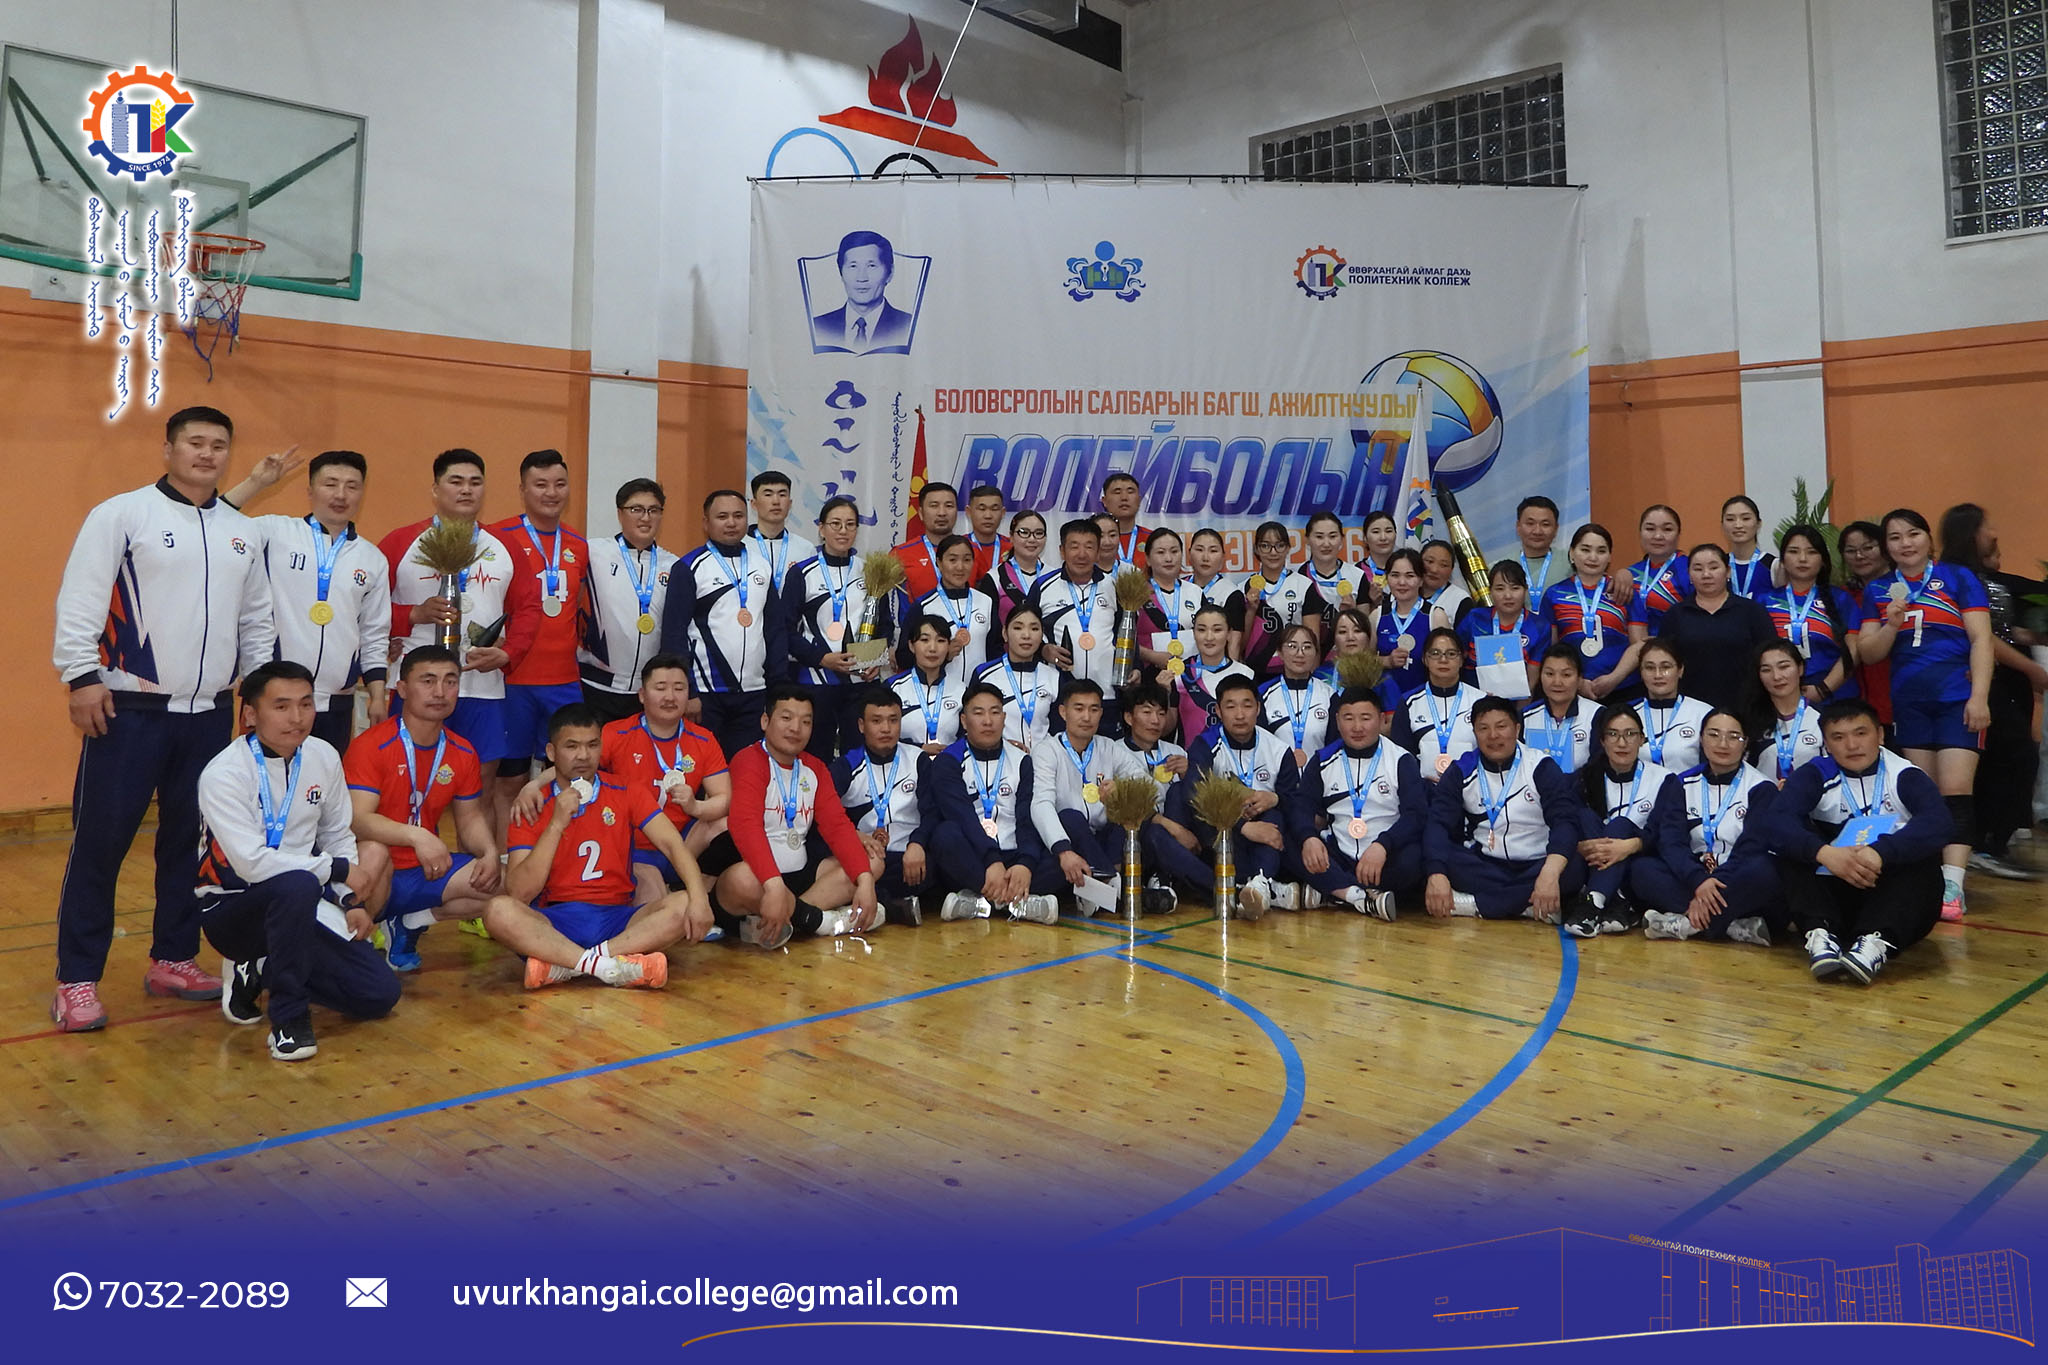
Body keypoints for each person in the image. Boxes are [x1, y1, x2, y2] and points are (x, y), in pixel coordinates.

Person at [51, 405, 277, 1031]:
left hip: (208, 717)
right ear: (169, 449)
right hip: (129, 711)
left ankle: (173, 958)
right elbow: (81, 597)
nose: (207, 454)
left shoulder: (242, 532)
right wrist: (81, 676)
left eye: (218, 445)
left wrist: (259, 696)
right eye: (194, 443)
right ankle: (76, 979)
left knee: (189, 844)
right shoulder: (123, 515)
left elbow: (256, 620)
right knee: (101, 846)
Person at [196, 661, 396, 1061]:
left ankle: (259, 968)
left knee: (378, 994)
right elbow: (252, 864)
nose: (297, 717)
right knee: (296, 884)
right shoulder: (224, 774)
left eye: (306, 704)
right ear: (250, 715)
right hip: (233, 909)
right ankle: (288, 1020)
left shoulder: (323, 756)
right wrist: (338, 870)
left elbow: (337, 834)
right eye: (281, 706)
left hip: (304, 901)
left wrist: (348, 900)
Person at [486, 703, 709, 986]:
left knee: (685, 901)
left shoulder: (627, 790)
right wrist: (556, 825)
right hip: (554, 921)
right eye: (572, 746)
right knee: (498, 910)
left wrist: (700, 899)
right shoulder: (532, 806)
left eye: (592, 745)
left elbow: (673, 845)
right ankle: (610, 966)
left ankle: (571, 965)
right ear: (551, 752)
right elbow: (520, 891)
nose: (583, 755)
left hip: (618, 919)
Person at [509, 654, 731, 918]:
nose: (670, 697)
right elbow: (576, 765)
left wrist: (696, 806)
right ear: (642, 695)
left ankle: (696, 893)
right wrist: (533, 785)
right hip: (634, 847)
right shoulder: (616, 733)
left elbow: (724, 798)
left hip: (680, 839)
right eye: (661, 688)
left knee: (726, 824)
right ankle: (666, 895)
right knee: (655, 905)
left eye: (679, 688)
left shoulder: (703, 739)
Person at [380, 449, 534, 820]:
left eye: (475, 482)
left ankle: (476, 860)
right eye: (456, 481)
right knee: (406, 783)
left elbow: (528, 609)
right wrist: (410, 615)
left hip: (482, 687)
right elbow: (368, 607)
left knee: (480, 788)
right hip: (418, 684)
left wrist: (509, 653)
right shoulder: (401, 542)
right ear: (435, 489)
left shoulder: (505, 546)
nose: (466, 490)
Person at [1858, 507, 1993, 920]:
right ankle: (1929, 878)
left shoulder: (1957, 578)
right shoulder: (1879, 590)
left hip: (1956, 699)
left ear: (1928, 538)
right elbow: (1868, 653)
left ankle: (1953, 884)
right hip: (1910, 703)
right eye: (1895, 537)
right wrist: (1890, 625)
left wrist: (1979, 696)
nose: (1905, 543)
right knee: (1924, 794)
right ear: (1886, 547)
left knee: (1955, 789)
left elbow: (1981, 639)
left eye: (1913, 533)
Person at [1760, 699, 1952, 983]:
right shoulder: (1815, 773)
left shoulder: (1904, 774)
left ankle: (1876, 941)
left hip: (1889, 897)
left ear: (1880, 735)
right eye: (1838, 737)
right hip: (1836, 895)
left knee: (1924, 857)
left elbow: (1940, 823)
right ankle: (1821, 933)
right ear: (1826, 744)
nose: (1851, 745)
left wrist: (1881, 852)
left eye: (1860, 733)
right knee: (1791, 846)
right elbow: (1775, 822)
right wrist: (1824, 853)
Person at [221, 447, 391, 751]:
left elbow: (374, 633)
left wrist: (378, 695)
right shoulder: (273, 532)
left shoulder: (372, 558)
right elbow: (216, 519)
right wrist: (256, 483)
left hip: (337, 702)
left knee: (324, 778)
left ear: (362, 493)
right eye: (330, 484)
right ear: (310, 490)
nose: (341, 494)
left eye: (352, 486)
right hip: (274, 696)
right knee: (264, 776)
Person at [344, 646, 500, 971]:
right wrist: (417, 836)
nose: (440, 692)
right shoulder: (371, 745)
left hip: (426, 870)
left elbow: (470, 817)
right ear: (402, 689)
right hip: (377, 871)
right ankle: (357, 943)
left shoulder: (462, 751)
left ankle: (411, 922)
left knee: (506, 882)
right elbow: (358, 820)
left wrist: (488, 852)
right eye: (427, 681)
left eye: (450, 681)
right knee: (374, 851)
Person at [700, 685, 884, 944]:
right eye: (786, 718)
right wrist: (773, 884)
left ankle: (788, 919)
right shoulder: (748, 760)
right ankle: (818, 922)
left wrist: (865, 882)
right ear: (765, 721)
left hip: (800, 878)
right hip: (757, 881)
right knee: (741, 879)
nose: (796, 728)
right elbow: (745, 826)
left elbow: (837, 826)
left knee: (871, 864)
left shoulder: (815, 768)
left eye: (805, 722)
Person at [1941, 502, 2046, 882]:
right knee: (2013, 756)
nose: (1994, 532)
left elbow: (2003, 629)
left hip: (2005, 683)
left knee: (2013, 757)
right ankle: (1985, 843)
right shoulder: (1957, 576)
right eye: (1988, 526)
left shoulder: (1984, 575)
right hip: (1981, 681)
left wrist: (2033, 638)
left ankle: (1995, 841)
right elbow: (1983, 636)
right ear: (1971, 532)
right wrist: (2030, 668)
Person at [488, 449, 591, 817]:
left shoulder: (578, 544)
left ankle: (557, 849)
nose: (551, 493)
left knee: (568, 777)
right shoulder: (497, 538)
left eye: (560, 484)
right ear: (523, 489)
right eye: (541, 484)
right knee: (509, 780)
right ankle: (507, 851)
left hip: (563, 681)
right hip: (512, 681)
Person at [1423, 696, 1586, 922]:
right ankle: (1525, 905)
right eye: (1483, 728)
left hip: (1536, 863)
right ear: (1474, 733)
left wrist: (1549, 872)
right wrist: (1437, 874)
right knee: (1436, 857)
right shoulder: (1461, 770)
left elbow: (1564, 822)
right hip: (1485, 865)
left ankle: (1474, 905)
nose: (1493, 736)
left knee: (1574, 867)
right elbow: (1438, 823)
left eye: (1501, 726)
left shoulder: (1540, 766)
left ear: (1517, 729)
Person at [1155, 675, 1300, 919]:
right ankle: (1258, 889)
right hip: (1217, 835)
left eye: (1247, 705)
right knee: (1179, 792)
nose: (1240, 715)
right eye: (1231, 707)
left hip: (1263, 834)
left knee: (1274, 814)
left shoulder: (1278, 749)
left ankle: (1259, 884)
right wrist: (1243, 827)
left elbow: (1295, 800)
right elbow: (1195, 793)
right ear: (1219, 712)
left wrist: (1274, 799)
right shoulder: (1205, 744)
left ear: (1258, 709)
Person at [1637, 708, 1781, 946]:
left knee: (1765, 869)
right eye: (1714, 734)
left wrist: (1713, 885)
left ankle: (1688, 924)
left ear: (1745, 743)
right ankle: (1730, 925)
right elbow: (1672, 840)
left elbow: (1751, 846)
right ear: (1701, 739)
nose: (1723, 744)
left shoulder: (1761, 787)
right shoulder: (1681, 783)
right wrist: (1699, 881)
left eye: (1733, 737)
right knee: (1642, 868)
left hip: (1735, 877)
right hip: (1694, 876)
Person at [664, 488, 787, 763]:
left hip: (754, 694)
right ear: (706, 523)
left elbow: (775, 631)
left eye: (738, 516)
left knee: (747, 769)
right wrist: (688, 691)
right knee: (702, 769)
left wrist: (776, 690)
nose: (731, 523)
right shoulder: (689, 567)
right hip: (706, 695)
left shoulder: (761, 566)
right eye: (722, 517)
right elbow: (673, 634)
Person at [921, 683, 1059, 924]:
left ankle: (983, 901)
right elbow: (962, 817)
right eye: (978, 713)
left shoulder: (1022, 760)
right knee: (945, 835)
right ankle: (1017, 903)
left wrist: (1025, 864)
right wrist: (991, 861)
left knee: (1061, 849)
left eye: (995, 712)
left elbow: (1026, 818)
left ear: (1004, 718)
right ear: (964, 721)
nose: (988, 721)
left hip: (1014, 855)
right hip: (975, 858)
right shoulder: (948, 761)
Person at [1285, 687, 1427, 919]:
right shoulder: (1322, 760)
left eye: (1365, 718)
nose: (1357, 727)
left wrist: (1382, 846)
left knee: (1415, 859)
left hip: (1385, 856)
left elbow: (1416, 815)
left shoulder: (1401, 760)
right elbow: (1302, 805)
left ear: (1381, 720)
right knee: (1287, 837)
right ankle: (1358, 897)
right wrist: (1309, 838)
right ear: (1337, 721)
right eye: (1349, 718)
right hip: (1338, 854)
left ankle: (1332, 891)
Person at [1564, 702, 1686, 938]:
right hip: (1592, 863)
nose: (1622, 743)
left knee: (1620, 825)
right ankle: (1615, 900)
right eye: (1613, 734)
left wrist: (1631, 845)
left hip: (1639, 862)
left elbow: (1667, 833)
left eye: (1630, 734)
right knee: (1585, 816)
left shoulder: (1665, 780)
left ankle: (1593, 903)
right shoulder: (1585, 778)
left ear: (1642, 739)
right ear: (1602, 741)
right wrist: (1580, 846)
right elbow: (1568, 824)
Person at [784, 495, 890, 758]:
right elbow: (786, 630)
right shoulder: (802, 573)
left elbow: (885, 625)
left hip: (860, 682)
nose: (843, 531)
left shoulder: (871, 571)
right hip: (816, 680)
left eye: (850, 524)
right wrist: (822, 658)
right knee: (815, 756)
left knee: (858, 756)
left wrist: (875, 661)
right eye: (835, 524)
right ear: (821, 528)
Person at [1029, 680, 1139, 911]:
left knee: (1127, 816)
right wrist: (1062, 848)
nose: (1087, 717)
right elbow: (1041, 803)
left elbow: (1145, 783)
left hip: (1102, 840)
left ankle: (1098, 890)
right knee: (1070, 816)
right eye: (1078, 709)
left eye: (1094, 709)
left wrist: (1122, 788)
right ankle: (1112, 885)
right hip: (1066, 840)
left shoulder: (1109, 747)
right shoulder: (1047, 750)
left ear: (1101, 713)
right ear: (1063, 712)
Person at [581, 478, 680, 725]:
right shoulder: (593, 552)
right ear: (620, 513)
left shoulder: (674, 565)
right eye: (636, 509)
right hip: (595, 686)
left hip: (646, 693)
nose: (645, 517)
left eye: (653, 510)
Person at [833, 687, 931, 924]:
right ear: (861, 725)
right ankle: (890, 905)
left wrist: (918, 844)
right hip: (866, 856)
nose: (886, 729)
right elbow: (826, 816)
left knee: (942, 852)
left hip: (908, 857)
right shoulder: (846, 766)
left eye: (893, 720)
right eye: (876, 721)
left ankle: (878, 902)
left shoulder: (918, 759)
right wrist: (855, 837)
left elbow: (933, 812)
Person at [1649, 544, 1777, 710]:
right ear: (1689, 575)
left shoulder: (1752, 611)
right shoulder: (1675, 615)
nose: (1706, 574)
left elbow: (1770, 656)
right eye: (1698, 569)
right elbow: (1665, 661)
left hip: (1745, 706)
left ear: (1728, 571)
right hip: (1690, 709)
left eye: (1714, 567)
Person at [1027, 519, 1124, 717]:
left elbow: (1127, 635)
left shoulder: (1114, 587)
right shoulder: (1043, 587)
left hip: (1107, 696)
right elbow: (1025, 631)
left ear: (1098, 552)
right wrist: (1042, 649)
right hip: (1059, 695)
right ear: (1062, 551)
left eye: (1089, 547)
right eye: (1074, 546)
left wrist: (1134, 668)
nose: (1082, 554)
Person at [1757, 524, 1859, 705]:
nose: (1802, 559)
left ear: (1823, 560)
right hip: (1780, 699)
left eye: (1811, 552)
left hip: (1836, 697)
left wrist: (1824, 688)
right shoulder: (1765, 601)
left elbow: (1853, 650)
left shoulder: (1842, 599)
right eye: (1794, 552)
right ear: (1782, 560)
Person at [1541, 523, 1640, 702]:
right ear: (1572, 553)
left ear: (1610, 556)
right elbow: (1551, 650)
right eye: (1585, 550)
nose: (1593, 557)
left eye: (1601, 551)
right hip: (1571, 689)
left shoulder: (1624, 592)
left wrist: (1614, 678)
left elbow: (1639, 644)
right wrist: (1577, 682)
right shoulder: (1554, 594)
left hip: (1623, 688)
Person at [1394, 628, 1485, 779]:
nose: (1443, 660)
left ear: (1461, 659)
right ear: (1425, 659)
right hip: (1423, 788)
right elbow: (1401, 754)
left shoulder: (1480, 701)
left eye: (1451, 654)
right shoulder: (1409, 702)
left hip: (1472, 786)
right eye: (1435, 653)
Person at [911, 534, 996, 688]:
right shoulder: (924, 605)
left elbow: (995, 649)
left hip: (979, 692)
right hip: (938, 692)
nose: (960, 567)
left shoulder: (986, 602)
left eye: (967, 560)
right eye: (952, 560)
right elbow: (904, 656)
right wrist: (943, 656)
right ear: (939, 562)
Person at [810, 229, 914, 354]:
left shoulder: (908, 326)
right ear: (841, 273)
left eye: (871, 266)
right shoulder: (818, 327)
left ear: (890, 273)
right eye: (853, 266)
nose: (862, 278)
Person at [1459, 560, 1550, 700]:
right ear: (1490, 591)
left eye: (1515, 588)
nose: (1508, 595)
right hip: (1472, 700)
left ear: (1525, 590)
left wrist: (1519, 710)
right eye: (1500, 589)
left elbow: (1532, 676)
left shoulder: (1540, 626)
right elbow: (1457, 657)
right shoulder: (1474, 619)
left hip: (1518, 701)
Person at [973, 604, 1059, 749]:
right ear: (1005, 633)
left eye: (1034, 629)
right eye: (1018, 628)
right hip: (1000, 757)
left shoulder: (1054, 677)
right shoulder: (984, 674)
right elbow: (973, 724)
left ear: (1042, 635)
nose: (1026, 635)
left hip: (1044, 759)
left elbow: (1059, 730)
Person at [1371, 548, 1450, 703]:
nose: (1402, 582)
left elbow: (1448, 662)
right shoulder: (1377, 615)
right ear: (1387, 578)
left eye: (1410, 576)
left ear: (1421, 580)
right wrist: (1387, 661)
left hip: (1426, 703)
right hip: (1385, 704)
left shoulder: (1435, 616)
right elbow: (1363, 662)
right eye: (1395, 575)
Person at [1838, 520, 1895, 726]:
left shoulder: (1904, 589)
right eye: (1850, 551)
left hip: (1900, 697)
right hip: (1855, 703)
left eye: (1868, 547)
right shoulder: (1840, 597)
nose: (1859, 556)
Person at [1746, 640, 1826, 784]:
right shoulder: (1749, 720)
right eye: (1766, 670)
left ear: (1800, 668)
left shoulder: (1823, 718)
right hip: (1763, 797)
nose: (1776, 676)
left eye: (1784, 667)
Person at [1172, 603, 1254, 742]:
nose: (1209, 637)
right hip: (1188, 754)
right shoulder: (1179, 672)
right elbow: (1167, 727)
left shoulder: (1246, 674)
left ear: (1229, 634)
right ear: (1193, 633)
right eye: (1202, 630)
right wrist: (1164, 692)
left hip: (1235, 754)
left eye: (1217, 630)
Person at [1633, 639, 1715, 773]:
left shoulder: (1704, 714)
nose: (1658, 675)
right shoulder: (1628, 714)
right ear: (1641, 673)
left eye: (1666, 667)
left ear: (1680, 670)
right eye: (1650, 668)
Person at [891, 615, 969, 753]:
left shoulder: (961, 690)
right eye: (924, 640)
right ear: (911, 646)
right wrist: (919, 749)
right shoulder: (893, 688)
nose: (932, 648)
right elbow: (881, 735)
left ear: (948, 646)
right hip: (905, 763)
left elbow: (968, 737)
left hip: (948, 763)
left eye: (940, 641)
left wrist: (949, 754)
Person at [1242, 520, 1311, 676]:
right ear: (1256, 549)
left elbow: (1312, 640)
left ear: (1288, 548)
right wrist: (1250, 611)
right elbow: (1239, 645)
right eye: (1265, 546)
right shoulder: (1243, 588)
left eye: (1279, 545)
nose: (1273, 552)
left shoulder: (1304, 585)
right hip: (1255, 672)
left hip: (1294, 669)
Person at [1260, 625, 1337, 764]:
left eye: (1307, 647)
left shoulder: (1329, 695)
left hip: (1318, 774)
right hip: (1276, 775)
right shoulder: (1263, 694)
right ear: (1280, 652)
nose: (1300, 653)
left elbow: (1334, 746)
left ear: (1316, 653)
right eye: (1292, 646)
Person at [1137, 528, 1204, 682]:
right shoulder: (1136, 594)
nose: (1168, 558)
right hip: (1148, 678)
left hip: (1192, 678)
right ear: (1148, 559)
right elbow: (1122, 640)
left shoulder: (1195, 592)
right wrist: (1152, 656)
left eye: (1174, 551)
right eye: (1161, 552)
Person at [1521, 644, 1598, 774]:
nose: (1557, 682)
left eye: (1566, 675)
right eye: (1549, 674)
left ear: (1579, 679)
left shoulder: (1596, 715)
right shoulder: (1525, 717)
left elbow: (1598, 766)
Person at [747, 469, 817, 595]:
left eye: (782, 494)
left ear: (790, 504)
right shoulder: (742, 546)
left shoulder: (806, 549)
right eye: (768, 495)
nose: (776, 501)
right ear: (754, 504)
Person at [1626, 504, 1692, 636]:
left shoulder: (1690, 569)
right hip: (1637, 645)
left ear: (1678, 534)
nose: (1658, 536)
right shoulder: (1631, 573)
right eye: (1650, 529)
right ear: (1640, 533)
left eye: (1667, 529)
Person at [1302, 511, 1371, 634]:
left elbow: (1365, 630)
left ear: (1341, 539)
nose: (1326, 544)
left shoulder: (1357, 576)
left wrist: (1352, 612)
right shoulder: (1299, 577)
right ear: (1307, 540)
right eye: (1319, 537)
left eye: (1332, 536)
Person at [890, 481, 959, 603]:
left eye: (949, 506)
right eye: (934, 506)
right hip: (916, 616)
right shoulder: (900, 554)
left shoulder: (972, 551)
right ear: (921, 513)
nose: (942, 513)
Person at [980, 508, 1052, 623]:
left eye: (1039, 533)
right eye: (1024, 532)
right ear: (1011, 536)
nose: (1032, 539)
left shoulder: (1055, 576)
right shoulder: (994, 578)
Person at [1186, 528, 1248, 658]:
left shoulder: (1231, 594)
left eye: (1213, 551)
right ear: (1189, 554)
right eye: (1199, 550)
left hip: (1216, 664)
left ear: (1223, 557)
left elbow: (1234, 645)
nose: (1205, 557)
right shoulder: (1179, 587)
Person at [1720, 496, 1775, 599]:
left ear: (1758, 523)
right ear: (1722, 525)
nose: (1738, 525)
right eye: (1730, 519)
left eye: (1746, 518)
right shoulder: (1718, 565)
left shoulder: (1773, 565)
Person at [1513, 496, 1567, 597]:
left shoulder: (1572, 564)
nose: (1537, 531)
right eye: (1530, 523)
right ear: (1518, 526)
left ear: (1556, 529)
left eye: (1545, 524)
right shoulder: (1499, 568)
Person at [1100, 471, 1149, 568]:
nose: (1124, 498)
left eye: (1130, 492)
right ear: (1104, 501)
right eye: (1117, 492)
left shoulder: (1154, 540)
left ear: (1139, 500)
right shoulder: (1092, 541)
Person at [961, 485, 1011, 582]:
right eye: (982, 509)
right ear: (969, 512)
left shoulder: (1014, 548)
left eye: (994, 509)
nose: (988, 516)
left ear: (1003, 512)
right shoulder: (955, 547)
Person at [1318, 606, 1376, 685]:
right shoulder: (1321, 674)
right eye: (1343, 632)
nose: (1350, 637)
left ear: (1368, 638)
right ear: (1334, 640)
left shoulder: (1379, 675)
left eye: (1357, 631)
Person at [1420, 539, 1472, 623]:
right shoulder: (1405, 590)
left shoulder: (1460, 600)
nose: (1434, 570)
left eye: (1443, 565)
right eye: (1430, 561)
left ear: (1451, 569)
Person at [1359, 510, 1399, 601]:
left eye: (1388, 531)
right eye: (1376, 532)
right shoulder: (1357, 572)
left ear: (1396, 534)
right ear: (1365, 538)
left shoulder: (1407, 569)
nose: (1383, 537)